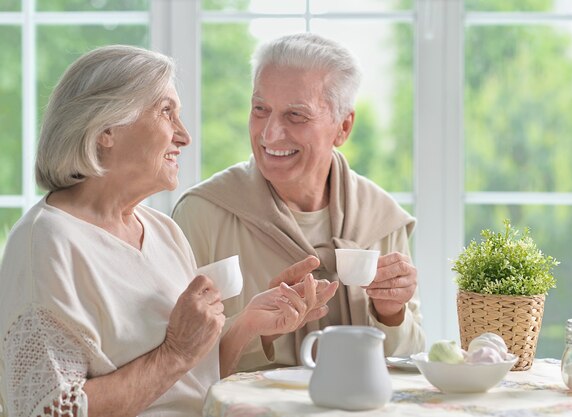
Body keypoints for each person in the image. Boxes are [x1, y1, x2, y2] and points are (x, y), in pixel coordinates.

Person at [0, 44, 336, 417]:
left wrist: (249, 323)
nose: (184, 136)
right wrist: (175, 352)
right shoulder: (46, 243)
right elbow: (48, 411)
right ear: (106, 129)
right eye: (166, 112)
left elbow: (190, 386)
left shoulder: (164, 232)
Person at [172, 32, 426, 373]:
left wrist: (391, 313)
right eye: (260, 109)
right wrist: (254, 326)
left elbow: (411, 362)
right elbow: (175, 369)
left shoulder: (381, 218)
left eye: (296, 116)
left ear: (343, 127)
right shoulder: (202, 214)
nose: (270, 135)